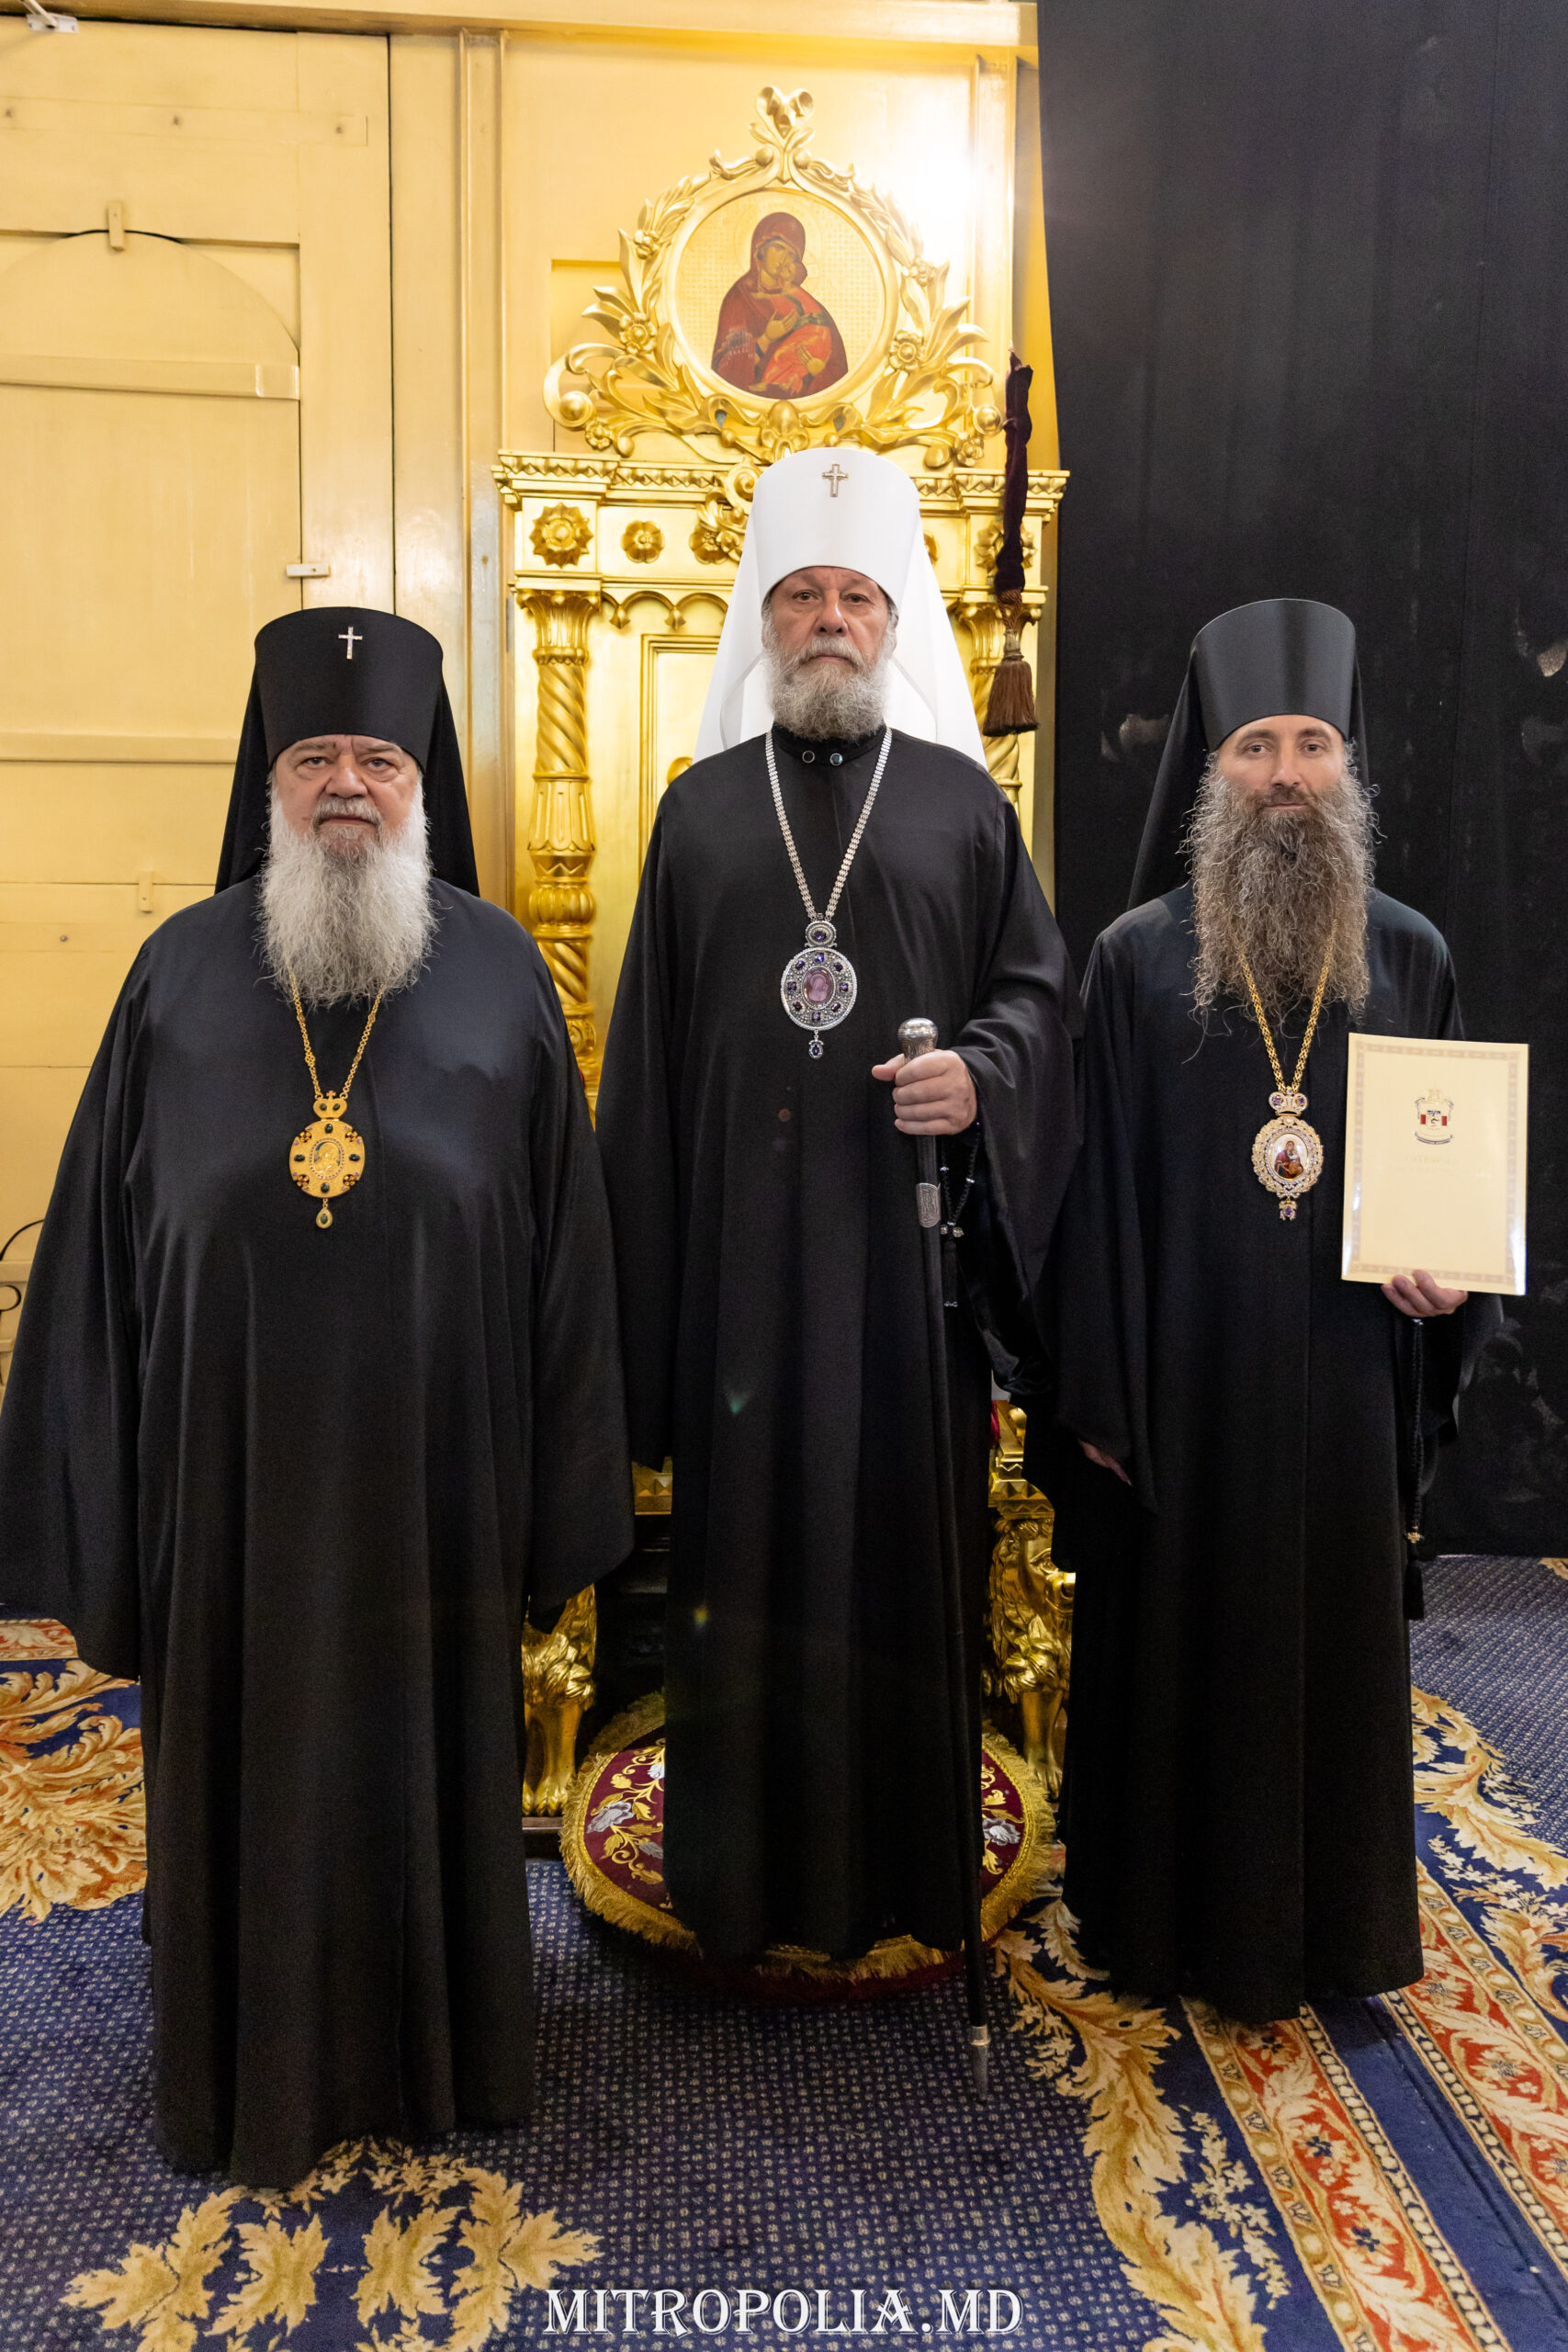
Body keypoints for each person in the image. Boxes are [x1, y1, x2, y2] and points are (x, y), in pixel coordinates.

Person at [0, 606, 632, 2186]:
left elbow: (567, 1253)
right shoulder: (174, 972)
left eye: (378, 757)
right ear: (267, 781)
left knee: (433, 1761)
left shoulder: (498, 969)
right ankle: (243, 2068)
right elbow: (97, 1259)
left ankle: (444, 2056)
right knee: (240, 1762)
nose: (346, 781)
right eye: (312, 756)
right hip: (226, 1484)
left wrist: (564, 1483)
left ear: (422, 784)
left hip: (439, 1479)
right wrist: (97, 1503)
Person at [596, 448, 1081, 1962]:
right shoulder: (696, 815)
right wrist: (646, 1329)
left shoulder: (960, 806)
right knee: (743, 1572)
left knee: (895, 1558)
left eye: (854, 598)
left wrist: (978, 1081)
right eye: (800, 596)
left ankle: (902, 1868)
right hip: (740, 1281)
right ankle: (741, 1874)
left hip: (901, 1279)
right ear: (762, 618)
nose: (826, 621)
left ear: (891, 620)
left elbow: (1036, 1001)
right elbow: (646, 1070)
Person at [1032, 597, 1500, 2022]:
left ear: (1346, 764)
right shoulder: (1131, 961)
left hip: (1347, 1381)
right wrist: (1100, 1392)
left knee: (1329, 1648)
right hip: (1181, 1384)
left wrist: (1448, 1275)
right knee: (1178, 1640)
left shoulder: (1406, 955)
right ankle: (1159, 1920)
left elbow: (1454, 1184)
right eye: (1253, 747)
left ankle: (1331, 1932)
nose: (1284, 774)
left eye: (1308, 744)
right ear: (1209, 770)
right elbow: (1085, 1195)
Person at [711, 212, 850, 401]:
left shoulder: (808, 304)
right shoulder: (740, 300)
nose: (783, 259)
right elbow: (725, 368)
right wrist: (766, 339)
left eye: (790, 254)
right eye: (778, 248)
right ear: (760, 247)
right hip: (750, 406)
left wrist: (818, 370)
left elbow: (838, 373)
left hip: (803, 407)